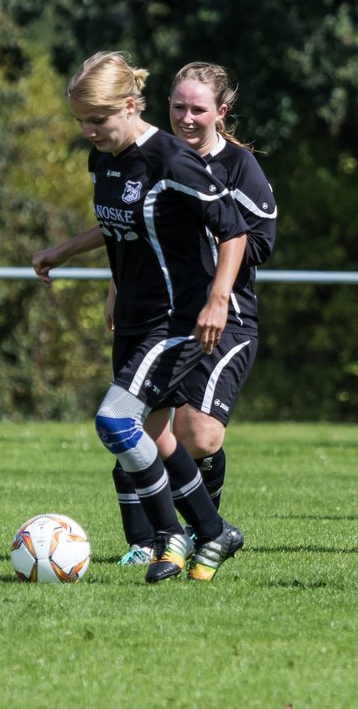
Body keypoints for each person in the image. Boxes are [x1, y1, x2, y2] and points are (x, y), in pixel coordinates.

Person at [34, 62, 278, 567]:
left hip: (177, 318)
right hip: (136, 316)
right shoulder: (103, 158)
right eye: (81, 120)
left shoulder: (174, 159)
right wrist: (64, 253)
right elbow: (121, 226)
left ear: (129, 105)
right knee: (154, 434)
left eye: (97, 119)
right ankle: (212, 531)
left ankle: (171, 534)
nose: (88, 130)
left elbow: (235, 232)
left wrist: (215, 302)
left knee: (116, 422)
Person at [108, 62, 277, 565]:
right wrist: (117, 283)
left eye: (197, 109)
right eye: (178, 107)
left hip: (227, 315)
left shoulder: (239, 168)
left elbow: (259, 241)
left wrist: (209, 259)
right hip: (162, 310)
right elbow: (130, 225)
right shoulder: (155, 155)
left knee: (198, 435)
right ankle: (152, 541)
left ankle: (206, 525)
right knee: (140, 421)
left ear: (220, 113)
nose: (186, 117)